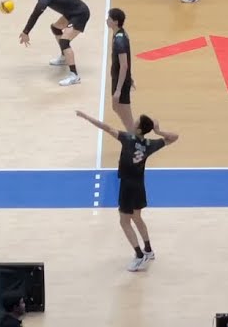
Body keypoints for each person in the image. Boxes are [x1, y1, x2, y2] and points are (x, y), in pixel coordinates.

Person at [74, 110, 179, 271]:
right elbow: (174, 137)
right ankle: (148, 250)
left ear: (138, 130)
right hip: (139, 186)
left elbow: (106, 127)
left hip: (127, 187)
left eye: (135, 123)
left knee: (124, 221)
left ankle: (139, 255)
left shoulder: (127, 139)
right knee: (137, 218)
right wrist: (158, 131)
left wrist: (87, 118)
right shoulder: (151, 144)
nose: (133, 123)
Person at [18, 0, 88, 87]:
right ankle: (64, 57)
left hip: (80, 14)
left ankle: (74, 75)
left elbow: (35, 15)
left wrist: (26, 32)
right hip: (71, 12)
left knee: (65, 41)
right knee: (56, 28)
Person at [107, 8, 135, 132]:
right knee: (116, 106)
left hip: (121, 82)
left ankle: (136, 142)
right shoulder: (119, 33)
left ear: (116, 22)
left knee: (126, 116)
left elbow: (124, 65)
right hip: (120, 79)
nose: (107, 20)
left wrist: (118, 90)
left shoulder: (119, 41)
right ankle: (132, 135)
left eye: (109, 19)